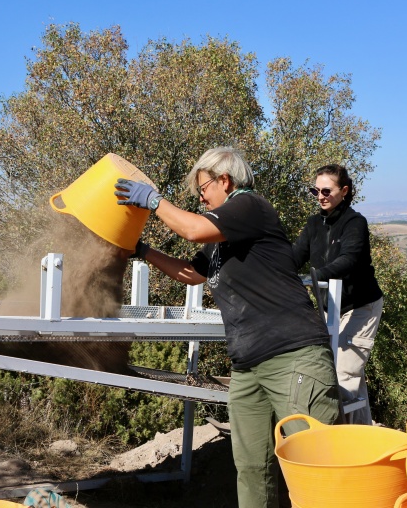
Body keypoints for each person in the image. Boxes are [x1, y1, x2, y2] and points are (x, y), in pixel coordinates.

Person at [114, 147, 340, 508]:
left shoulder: (249, 206)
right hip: (248, 367)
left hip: (293, 358)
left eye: (203, 187)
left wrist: (153, 201)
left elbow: (191, 230)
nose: (200, 196)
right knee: (252, 469)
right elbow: (190, 274)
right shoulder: (223, 239)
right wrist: (142, 251)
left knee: (313, 467)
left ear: (225, 180)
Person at [290, 164, 383, 426]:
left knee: (343, 373)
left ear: (344, 191)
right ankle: (365, 434)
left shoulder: (355, 223)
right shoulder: (313, 224)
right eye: (315, 190)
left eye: (326, 190)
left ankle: (344, 444)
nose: (320, 196)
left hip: (360, 306)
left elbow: (350, 260)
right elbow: (295, 256)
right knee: (347, 373)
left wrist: (318, 276)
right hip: (331, 307)